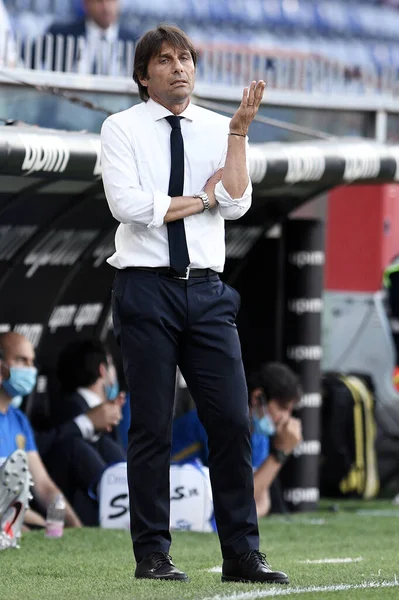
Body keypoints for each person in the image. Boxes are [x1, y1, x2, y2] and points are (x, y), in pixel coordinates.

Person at [101, 23, 288, 584]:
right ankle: (153, 554)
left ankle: (242, 555)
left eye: (186, 58)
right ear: (144, 75)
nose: (179, 66)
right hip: (146, 289)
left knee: (231, 421)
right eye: (165, 59)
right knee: (151, 426)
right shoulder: (121, 128)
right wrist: (201, 198)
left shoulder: (220, 127)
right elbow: (130, 206)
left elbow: (236, 203)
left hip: (207, 290)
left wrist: (239, 135)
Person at [0, 332, 82, 547]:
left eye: (31, 361)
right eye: (20, 360)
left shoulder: (18, 420)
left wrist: (74, 526)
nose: (29, 368)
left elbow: (44, 486)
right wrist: (29, 524)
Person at [247, 362, 303, 517]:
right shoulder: (223, 426)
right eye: (282, 408)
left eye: (290, 410)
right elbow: (241, 501)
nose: (285, 418)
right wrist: (281, 452)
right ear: (257, 397)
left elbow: (262, 499)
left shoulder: (259, 436)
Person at [42, 0, 137, 74]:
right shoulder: (60, 35)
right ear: (86, 4)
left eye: (111, 0)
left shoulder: (134, 41)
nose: (106, 8)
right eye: (99, 1)